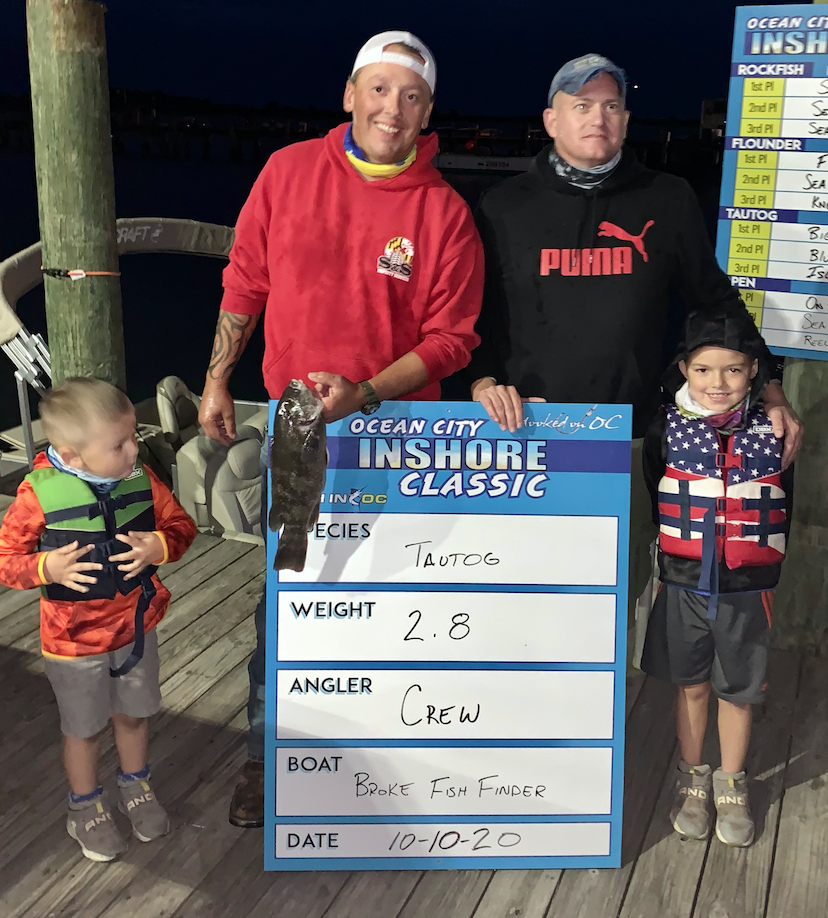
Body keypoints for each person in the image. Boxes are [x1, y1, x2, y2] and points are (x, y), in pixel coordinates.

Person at [197, 31, 484, 827]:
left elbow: (452, 339)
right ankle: (268, 755)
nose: (394, 108)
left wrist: (364, 392)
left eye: (412, 96)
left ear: (428, 112)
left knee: (393, 594)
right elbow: (245, 279)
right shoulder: (287, 172)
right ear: (351, 94)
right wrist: (217, 377)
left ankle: (385, 751)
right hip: (297, 425)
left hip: (399, 436)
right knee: (291, 593)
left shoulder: (445, 212)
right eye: (380, 89)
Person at [466, 52, 802, 646]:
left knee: (611, 598)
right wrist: (482, 381)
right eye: (581, 105)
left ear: (625, 120)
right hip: (524, 435)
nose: (598, 117)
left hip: (627, 438)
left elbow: (714, 302)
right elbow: (475, 314)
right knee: (517, 591)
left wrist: (770, 386)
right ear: (551, 120)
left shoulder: (666, 198)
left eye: (612, 106)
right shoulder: (501, 206)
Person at [0, 378, 197, 862]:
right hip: (72, 642)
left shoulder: (140, 479)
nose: (135, 449)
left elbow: (182, 526)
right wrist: (46, 567)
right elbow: (6, 560)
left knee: (133, 714)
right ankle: (83, 805)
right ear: (73, 454)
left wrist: (160, 545)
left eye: (132, 437)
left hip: (135, 628)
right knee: (83, 727)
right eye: (120, 444)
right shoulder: (37, 495)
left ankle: (135, 785)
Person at [640, 307, 789, 847]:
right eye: (703, 369)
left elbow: (785, 497)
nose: (717, 382)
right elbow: (653, 482)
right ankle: (692, 777)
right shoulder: (664, 426)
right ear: (684, 369)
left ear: (754, 371)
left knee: (738, 690)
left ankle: (731, 782)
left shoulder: (778, 429)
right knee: (691, 685)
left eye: (733, 369)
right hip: (682, 581)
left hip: (748, 587)